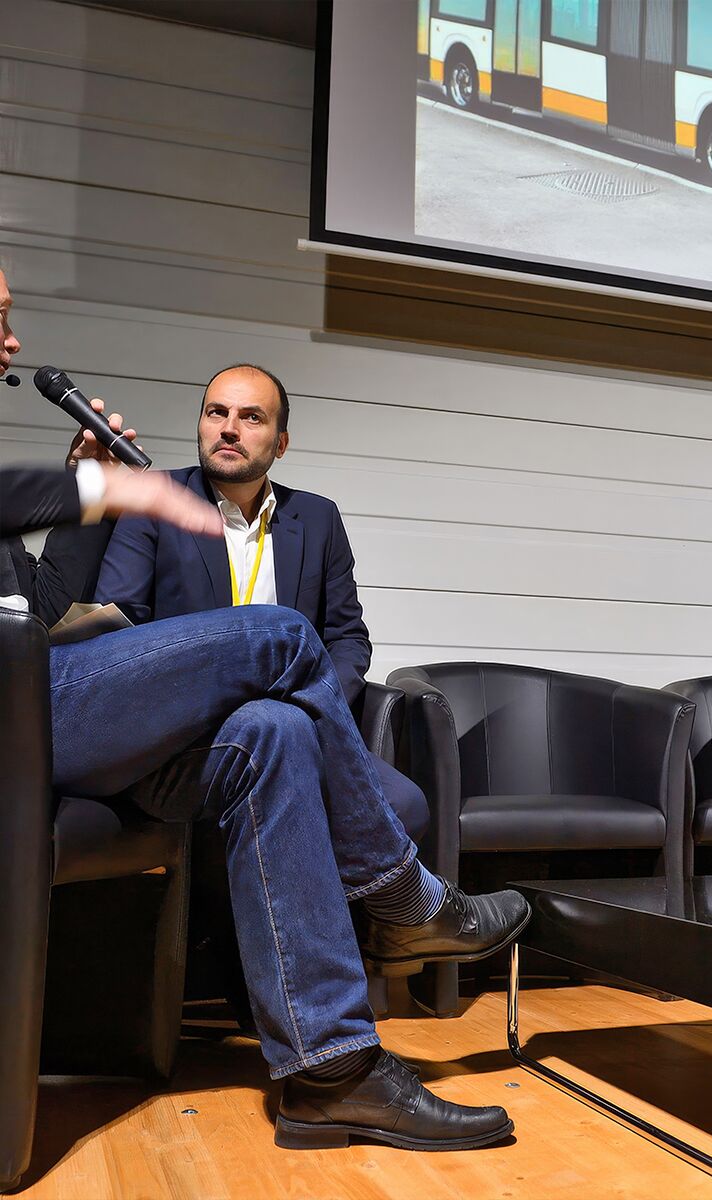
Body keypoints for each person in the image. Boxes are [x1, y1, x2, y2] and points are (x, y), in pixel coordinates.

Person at [0, 269, 529, 1152]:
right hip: (25, 709)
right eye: (1, 321)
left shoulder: (314, 519)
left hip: (50, 687)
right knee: (277, 635)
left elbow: (42, 602)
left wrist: (79, 495)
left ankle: (329, 1074)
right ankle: (409, 899)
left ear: (281, 440)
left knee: (274, 730)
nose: (14, 345)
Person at [95, 363, 429, 840]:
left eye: (252, 417)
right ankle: (418, 907)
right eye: (217, 413)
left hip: (300, 720)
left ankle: (395, 913)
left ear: (281, 443)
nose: (229, 428)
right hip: (191, 738)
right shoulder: (154, 500)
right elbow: (118, 632)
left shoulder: (317, 518)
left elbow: (347, 637)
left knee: (406, 805)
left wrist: (313, 706)